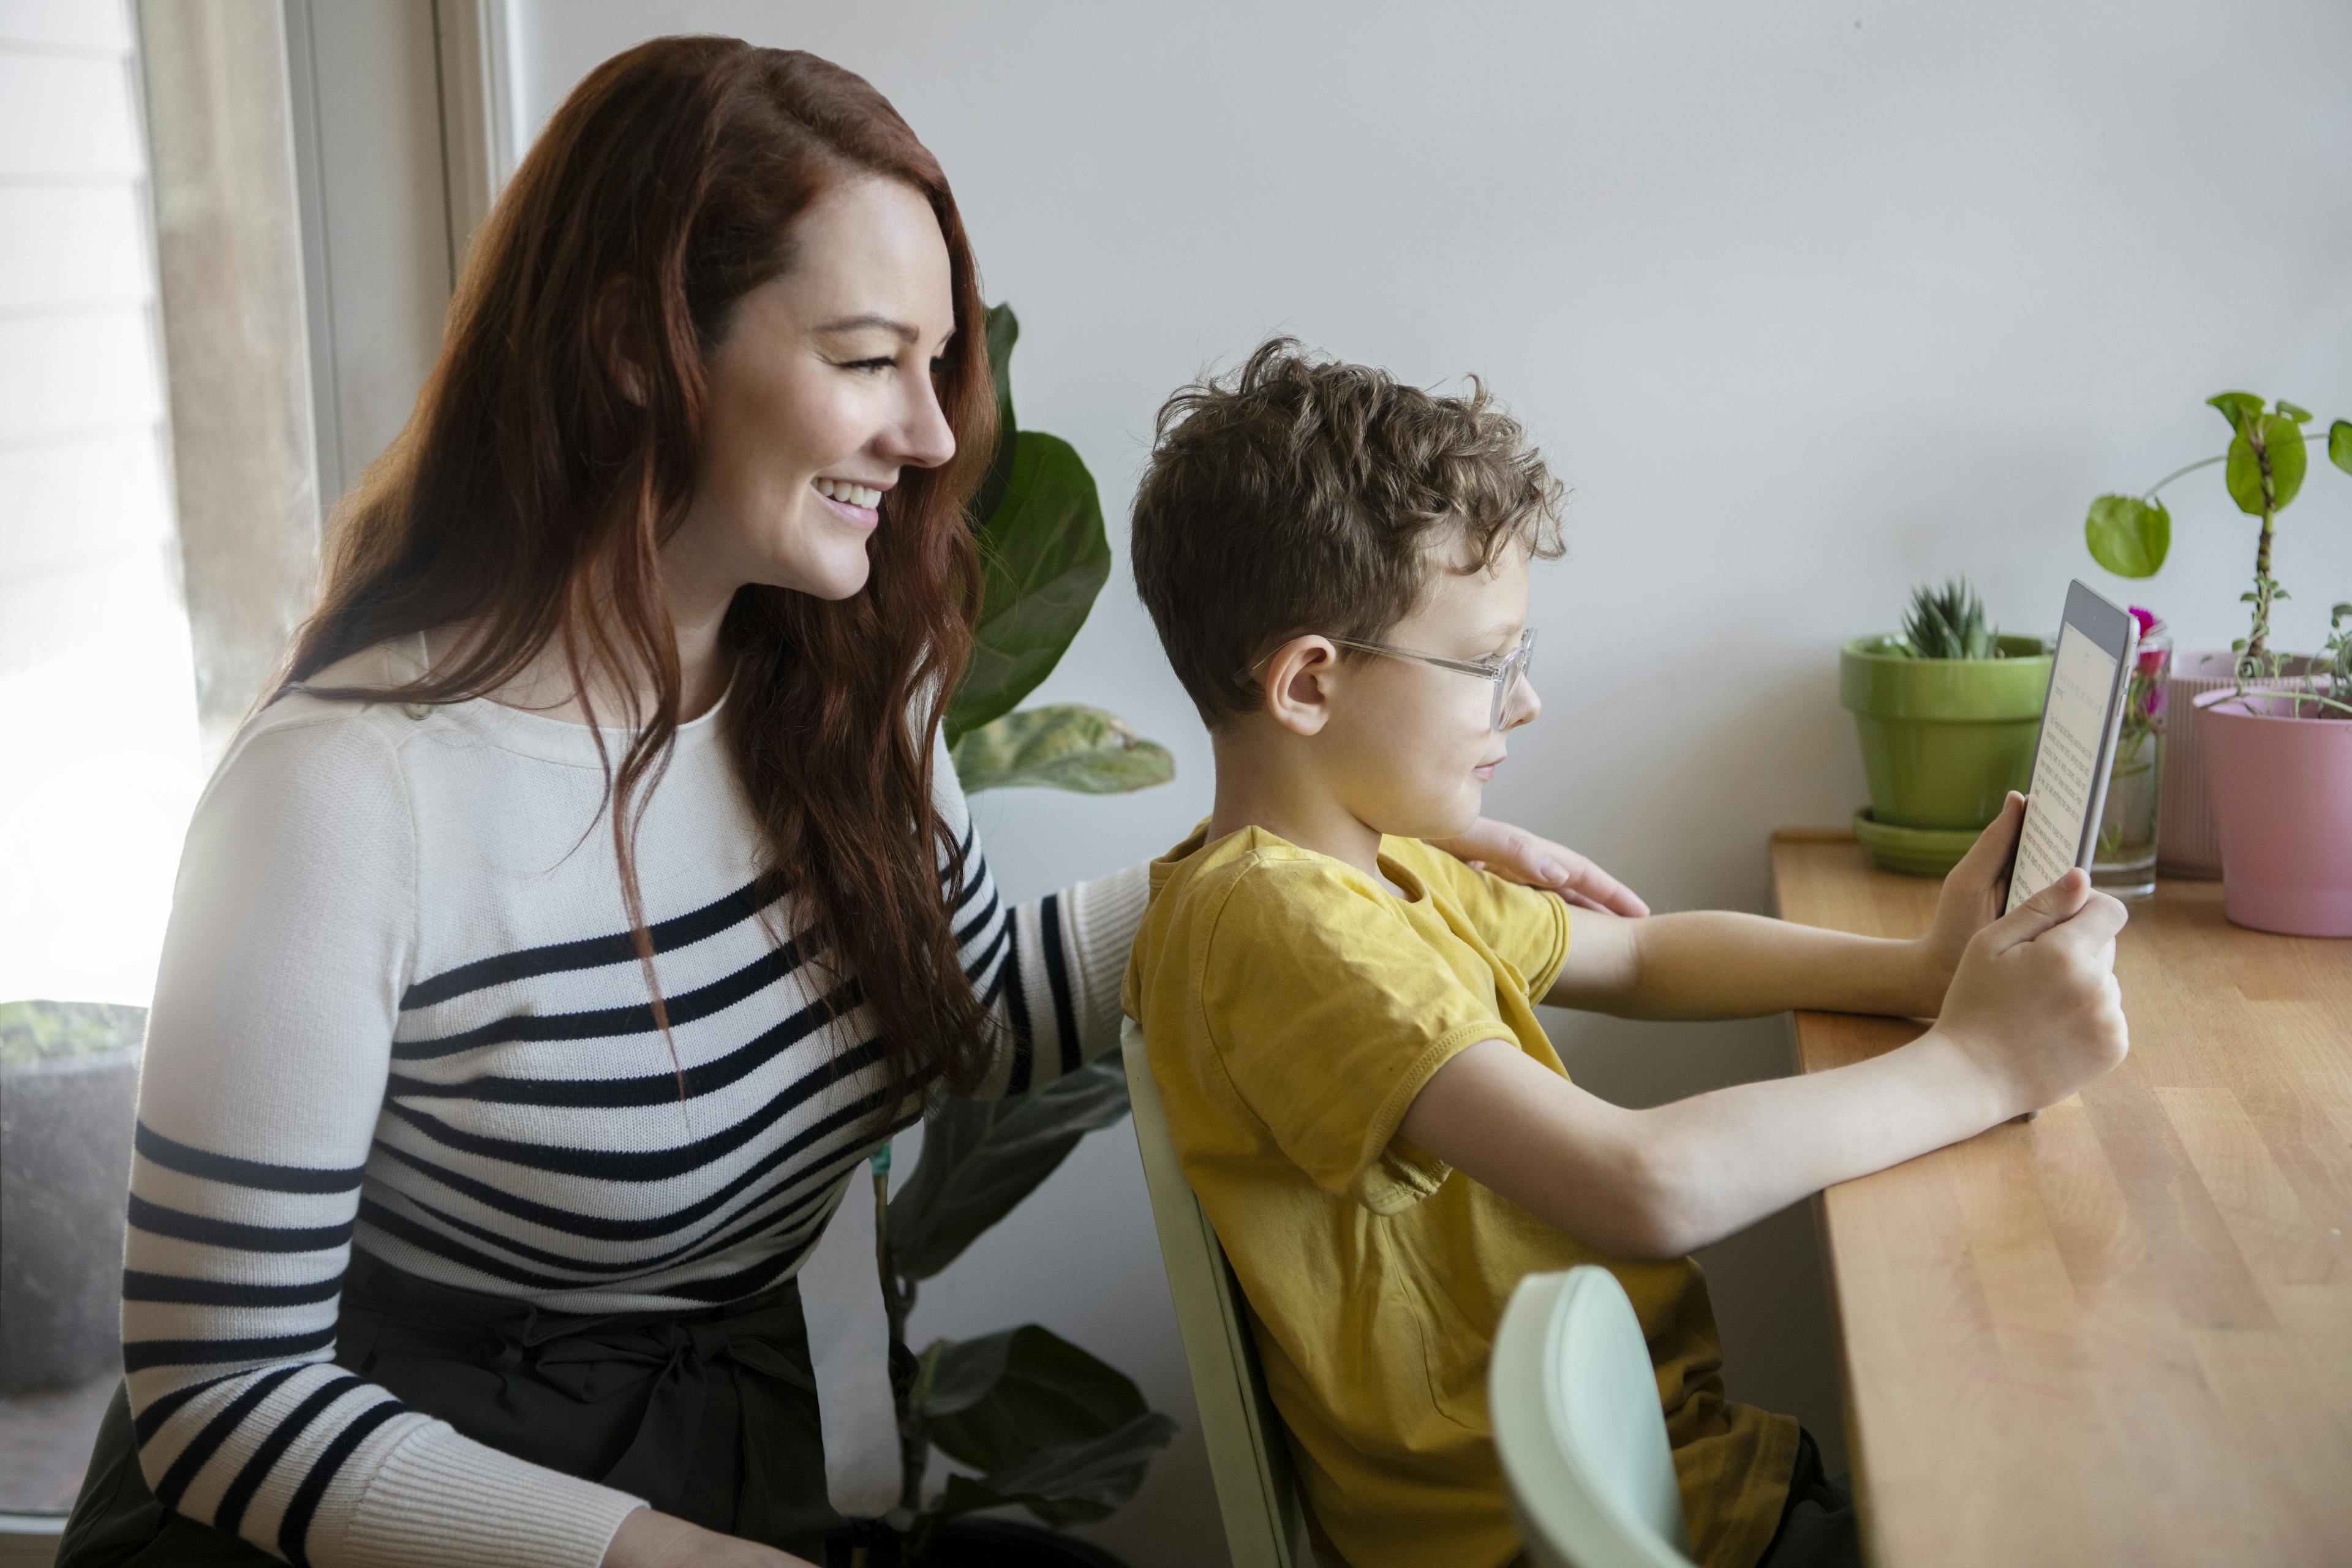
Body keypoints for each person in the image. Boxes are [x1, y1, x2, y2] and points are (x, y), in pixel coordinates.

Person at [55, 39, 1632, 1568]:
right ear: (633, 343)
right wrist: (654, 1554)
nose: (936, 431)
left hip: (716, 1479)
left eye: (936, 365)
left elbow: (962, 1008)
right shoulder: (345, 800)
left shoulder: (840, 686)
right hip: (422, 1520)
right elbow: (222, 1397)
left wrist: (1316, 870)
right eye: (869, 360)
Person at [1121, 341, 2131, 1568]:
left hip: (1658, 1475)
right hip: (1571, 1530)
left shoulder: (1372, 868)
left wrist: (1915, 975)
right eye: (1488, 664)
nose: (1524, 703)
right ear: (1310, 685)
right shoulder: (1280, 927)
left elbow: (1644, 959)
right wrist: (1980, 1067)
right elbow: (1648, 1184)